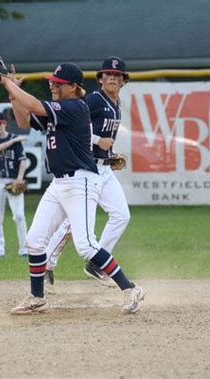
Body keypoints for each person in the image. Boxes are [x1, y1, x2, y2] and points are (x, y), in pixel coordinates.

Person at [0, 62, 145, 315]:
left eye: (58, 83)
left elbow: (34, 105)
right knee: (34, 242)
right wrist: (12, 93)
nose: (52, 86)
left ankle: (130, 288)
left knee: (86, 245)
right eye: (52, 82)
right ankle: (37, 297)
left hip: (81, 182)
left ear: (73, 87)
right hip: (59, 184)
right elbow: (24, 120)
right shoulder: (61, 107)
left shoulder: (75, 107)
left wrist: (6, 82)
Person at [44, 57, 132, 290]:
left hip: (103, 168)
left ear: (124, 81)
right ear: (101, 79)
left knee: (121, 215)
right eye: (108, 75)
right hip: (85, 169)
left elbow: (102, 138)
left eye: (117, 76)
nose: (112, 78)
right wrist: (97, 141)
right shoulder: (93, 100)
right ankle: (46, 263)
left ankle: (97, 264)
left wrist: (110, 154)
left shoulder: (115, 102)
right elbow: (78, 124)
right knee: (73, 225)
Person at [0, 111, 29, 257]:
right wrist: (13, 141)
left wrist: (19, 178)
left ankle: (24, 249)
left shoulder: (15, 141)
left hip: (13, 181)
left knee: (19, 216)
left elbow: (23, 161)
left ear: (5, 123)